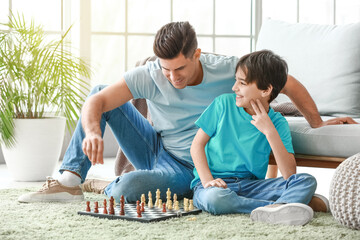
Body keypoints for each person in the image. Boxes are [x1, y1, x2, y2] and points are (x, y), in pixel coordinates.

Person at [18, 21, 356, 204]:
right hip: (154, 148)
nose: (172, 77)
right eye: (165, 69)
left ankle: (113, 184)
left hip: (190, 166)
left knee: (126, 192)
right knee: (96, 94)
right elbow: (97, 102)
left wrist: (318, 124)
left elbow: (289, 82)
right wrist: (93, 132)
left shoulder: (226, 71)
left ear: (197, 53)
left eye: (179, 68)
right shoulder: (152, 74)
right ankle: (69, 180)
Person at [191, 50, 320, 226]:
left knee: (306, 180)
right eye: (236, 80)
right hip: (215, 185)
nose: (234, 87)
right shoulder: (223, 104)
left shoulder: (277, 122)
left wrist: (269, 131)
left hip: (252, 187)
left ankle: (284, 205)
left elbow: (289, 174)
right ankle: (280, 207)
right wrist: (208, 181)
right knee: (215, 199)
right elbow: (196, 146)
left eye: (242, 83)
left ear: (266, 89)